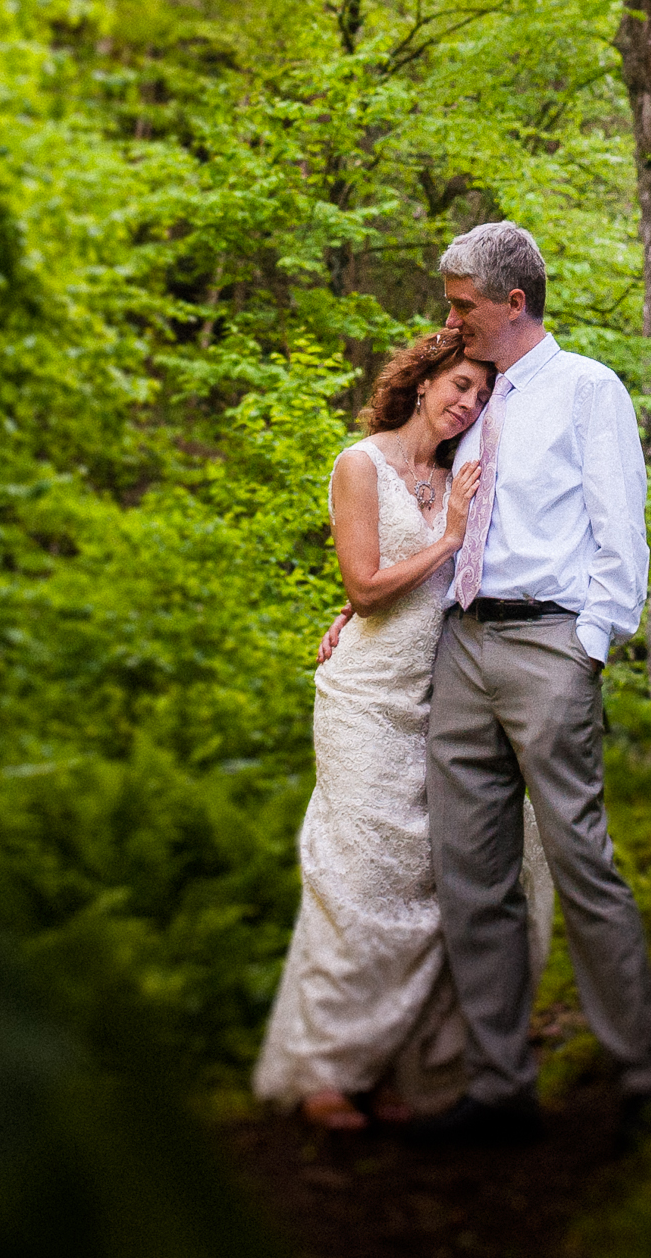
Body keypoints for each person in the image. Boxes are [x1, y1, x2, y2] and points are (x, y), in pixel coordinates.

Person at [415, 219, 651, 1147]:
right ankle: (498, 1085)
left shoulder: (584, 389)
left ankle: (642, 1073)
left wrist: (591, 646)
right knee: (469, 872)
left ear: (512, 302)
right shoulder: (473, 397)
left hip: (548, 646)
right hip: (462, 643)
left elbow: (622, 526)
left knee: (580, 859)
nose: (451, 324)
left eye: (462, 307)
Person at [252, 329, 554, 1130]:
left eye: (481, 398)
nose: (467, 404)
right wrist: (442, 541)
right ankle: (324, 1071)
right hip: (366, 699)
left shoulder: (462, 473)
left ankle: (385, 1064)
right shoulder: (361, 464)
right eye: (459, 385)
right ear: (422, 380)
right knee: (356, 877)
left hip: (446, 696)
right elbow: (366, 582)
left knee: (426, 888)